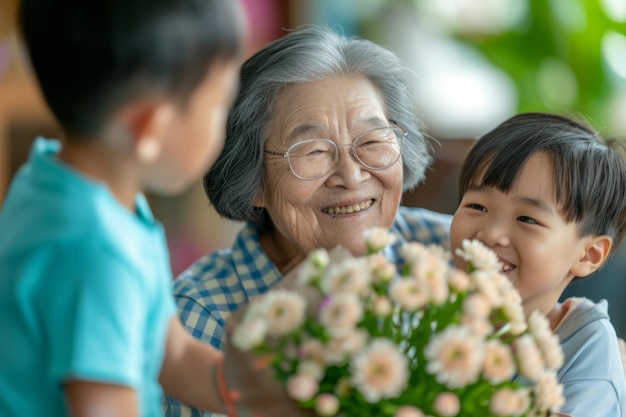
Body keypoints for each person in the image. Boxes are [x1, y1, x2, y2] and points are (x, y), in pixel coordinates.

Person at [164, 25, 452, 416]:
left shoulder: (452, 253)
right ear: (254, 182)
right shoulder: (204, 317)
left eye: (372, 141)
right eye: (312, 151)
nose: (351, 176)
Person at [0, 0, 249, 415]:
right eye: (220, 103)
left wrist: (255, 392)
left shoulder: (56, 181)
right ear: (151, 127)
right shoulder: (97, 251)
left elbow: (173, 354)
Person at [450, 112, 626, 416]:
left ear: (588, 255)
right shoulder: (429, 304)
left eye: (527, 219)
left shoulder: (586, 347)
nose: (490, 234)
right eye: (477, 206)